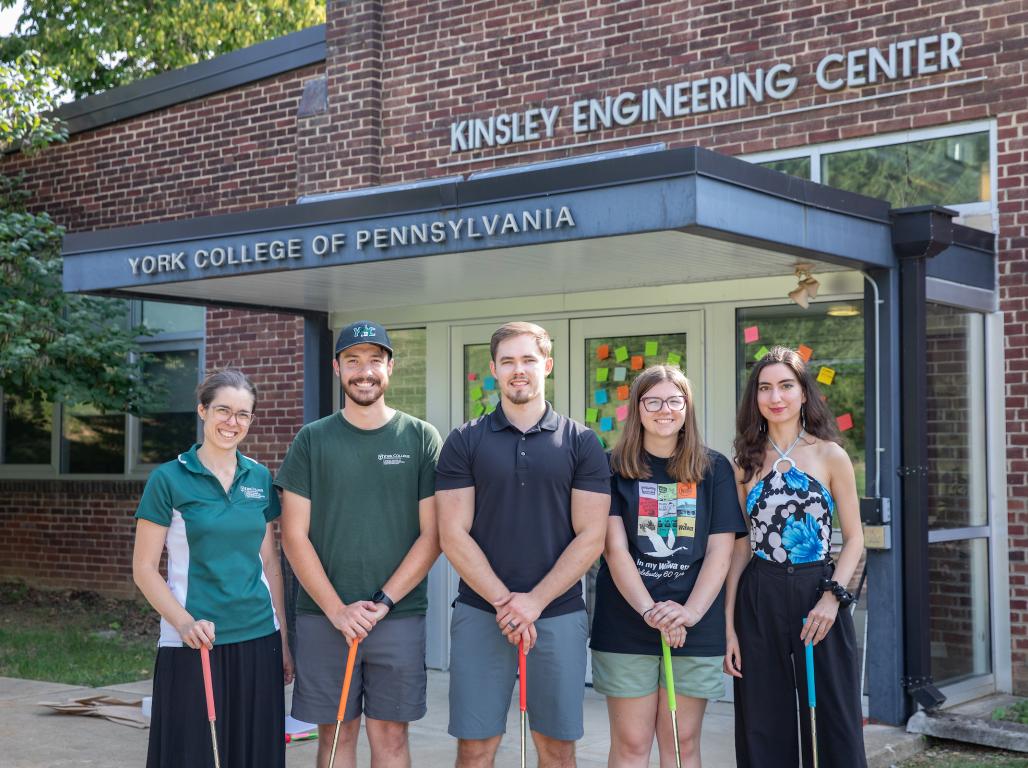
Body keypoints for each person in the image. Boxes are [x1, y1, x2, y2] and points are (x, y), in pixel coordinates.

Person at [436, 321, 611, 768]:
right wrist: (505, 603)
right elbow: (452, 533)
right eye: (508, 361)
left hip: (558, 613)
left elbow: (592, 536)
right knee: (475, 749)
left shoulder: (582, 441)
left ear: (547, 365)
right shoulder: (464, 440)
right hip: (480, 612)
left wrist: (533, 602)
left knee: (556, 750)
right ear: (493, 369)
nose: (519, 370)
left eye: (529, 359)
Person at [276, 320, 442, 768]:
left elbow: (434, 535)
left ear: (391, 367)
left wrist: (383, 603)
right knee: (335, 737)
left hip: (398, 615)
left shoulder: (421, 438)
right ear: (336, 368)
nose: (363, 371)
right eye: (353, 361)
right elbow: (293, 536)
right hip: (324, 616)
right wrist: (337, 610)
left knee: (390, 737)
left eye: (374, 360)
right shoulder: (312, 439)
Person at [133, 368, 292, 768]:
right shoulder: (168, 479)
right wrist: (184, 623)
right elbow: (145, 569)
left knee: (255, 755)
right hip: (194, 641)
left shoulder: (258, 476)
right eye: (223, 410)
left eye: (243, 414)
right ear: (202, 410)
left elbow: (270, 563)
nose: (232, 422)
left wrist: (284, 641)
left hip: (259, 638)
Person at [591, 365, 746, 768]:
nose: (665, 410)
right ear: (637, 408)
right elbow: (615, 550)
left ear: (687, 407)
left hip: (695, 624)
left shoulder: (714, 469)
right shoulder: (610, 467)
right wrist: (650, 612)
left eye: (674, 400)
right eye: (653, 401)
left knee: (682, 741)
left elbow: (720, 552)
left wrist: (689, 613)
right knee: (631, 743)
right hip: (627, 622)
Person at [725, 346, 866, 768]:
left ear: (804, 393)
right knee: (762, 721)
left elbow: (855, 538)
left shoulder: (830, 455)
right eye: (765, 388)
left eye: (786, 386)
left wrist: (832, 597)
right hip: (759, 593)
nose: (775, 397)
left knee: (833, 717)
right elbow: (739, 545)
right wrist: (729, 624)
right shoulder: (744, 463)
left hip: (818, 590)